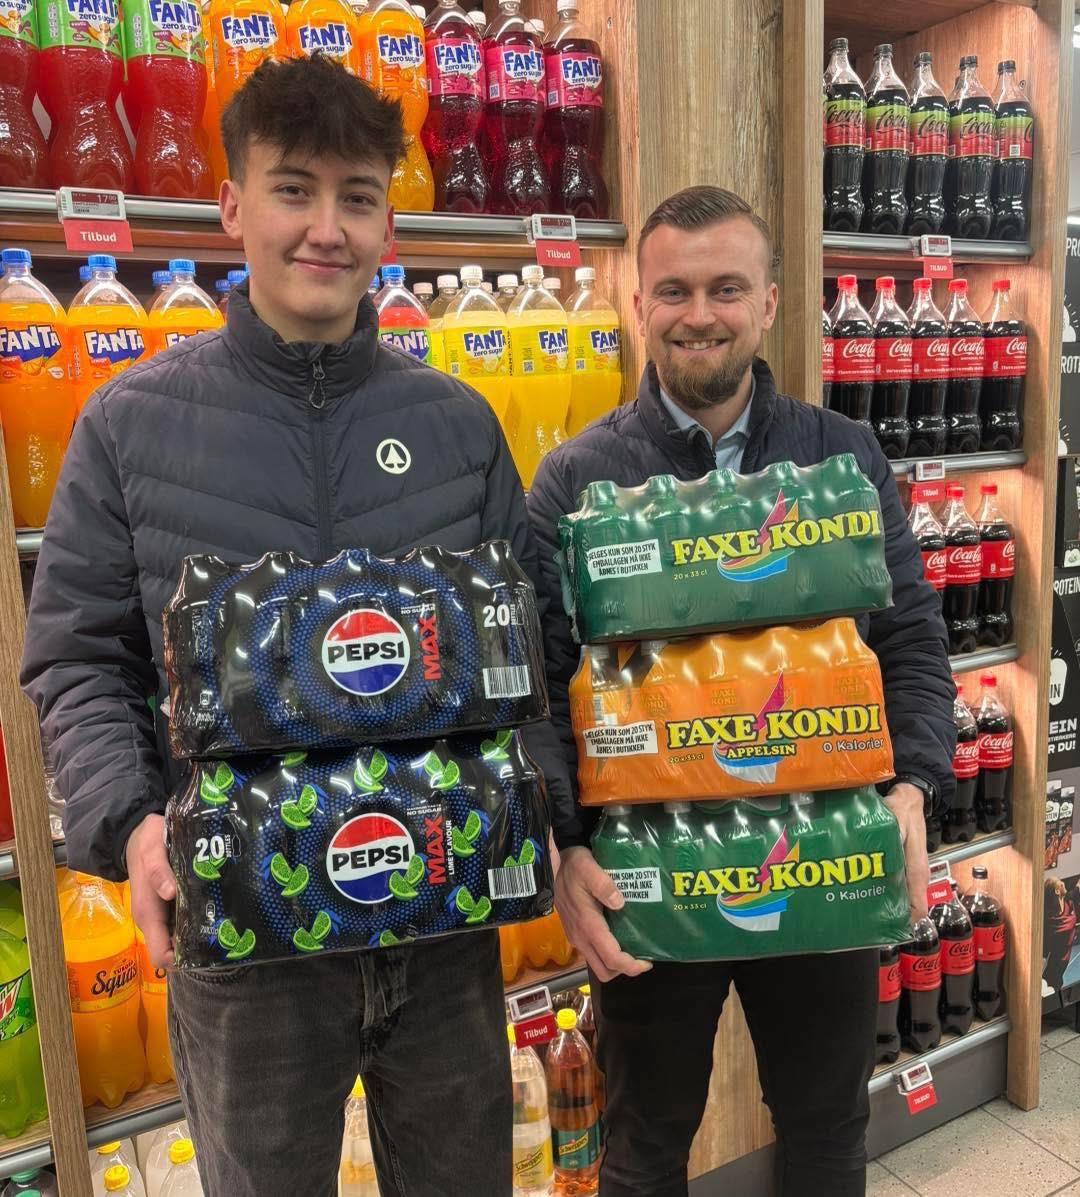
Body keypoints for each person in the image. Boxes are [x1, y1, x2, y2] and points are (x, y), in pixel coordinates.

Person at [21, 56, 571, 1197]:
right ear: (231, 207)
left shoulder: (460, 425)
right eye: (293, 190)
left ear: (387, 224)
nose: (327, 228)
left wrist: (550, 814)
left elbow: (526, 655)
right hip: (244, 937)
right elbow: (78, 658)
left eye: (358, 197)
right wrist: (132, 826)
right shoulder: (128, 425)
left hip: (442, 914)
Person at [527, 185, 956, 1197]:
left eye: (726, 288)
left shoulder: (841, 457)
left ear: (768, 302)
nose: (700, 314)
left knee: (826, 1133)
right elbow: (541, 685)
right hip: (647, 872)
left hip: (823, 857)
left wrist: (913, 785)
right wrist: (566, 844)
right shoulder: (578, 480)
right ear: (640, 304)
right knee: (643, 1150)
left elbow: (910, 637)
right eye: (673, 291)